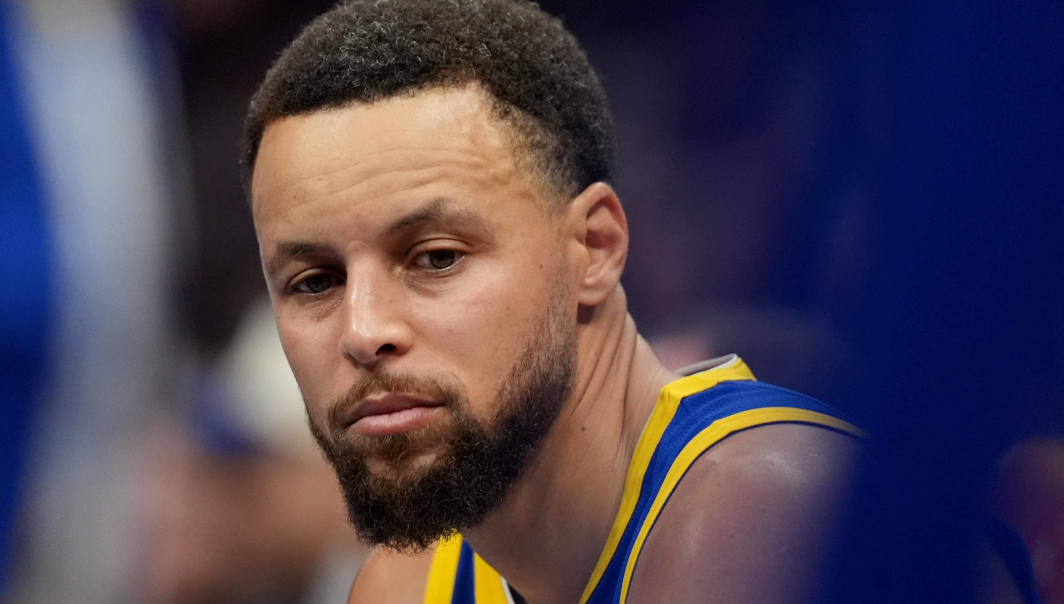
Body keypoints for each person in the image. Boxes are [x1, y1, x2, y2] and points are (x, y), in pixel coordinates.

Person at [240, 1, 863, 603]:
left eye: (437, 257)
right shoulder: (406, 587)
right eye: (315, 281)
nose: (362, 330)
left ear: (594, 247)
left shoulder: (767, 511)